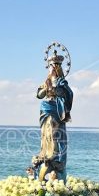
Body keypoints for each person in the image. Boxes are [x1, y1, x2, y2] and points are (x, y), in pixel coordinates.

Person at [34, 45, 73, 181]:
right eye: (51, 66)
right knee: (47, 133)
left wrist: (55, 90)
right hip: (46, 108)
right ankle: (46, 153)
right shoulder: (46, 81)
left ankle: (55, 157)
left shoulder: (62, 82)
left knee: (56, 133)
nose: (52, 69)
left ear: (59, 67)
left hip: (56, 110)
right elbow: (39, 95)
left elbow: (68, 94)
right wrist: (46, 89)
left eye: (55, 66)